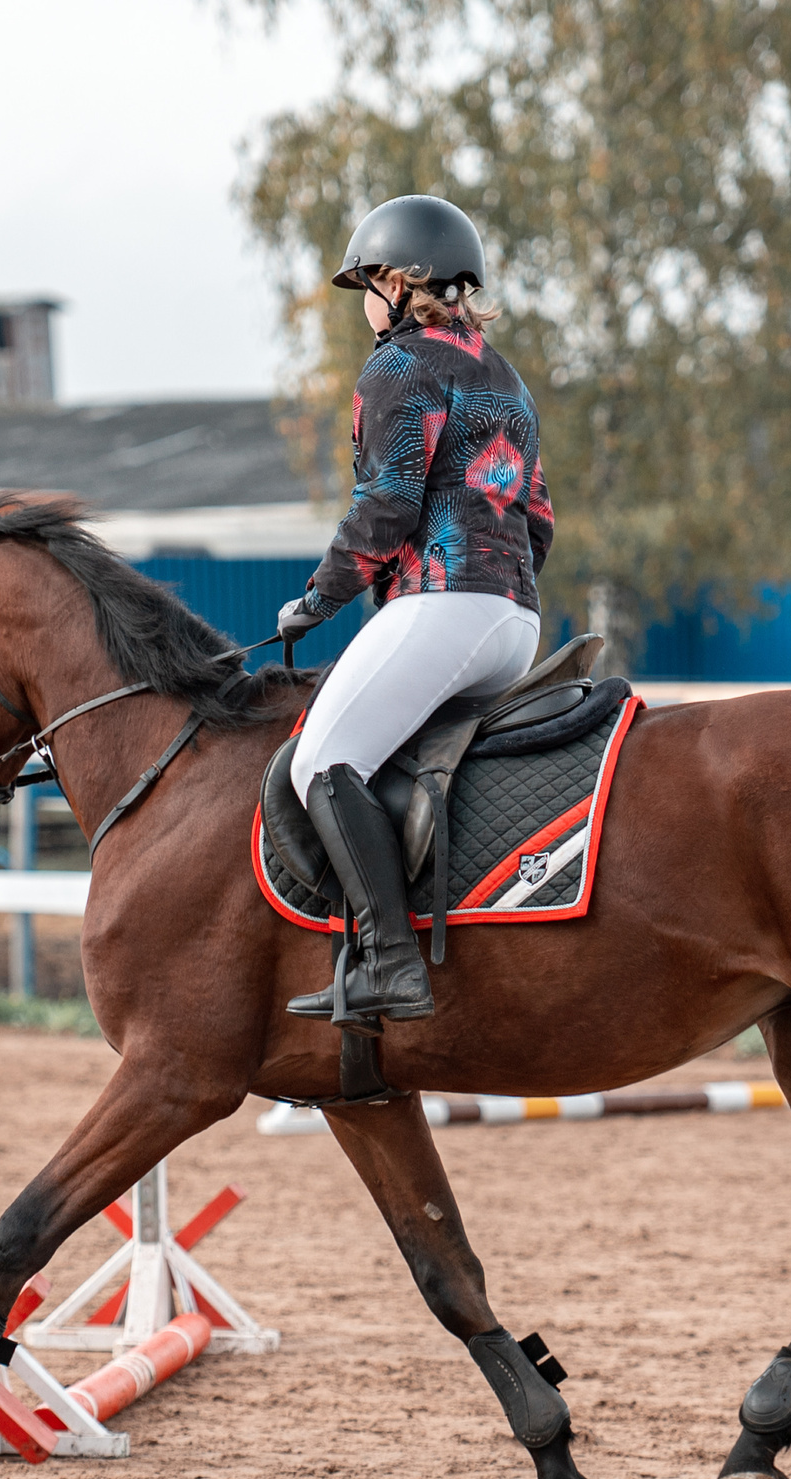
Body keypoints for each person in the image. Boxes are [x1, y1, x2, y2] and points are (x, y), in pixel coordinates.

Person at [277, 194, 554, 1031]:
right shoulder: (503, 373)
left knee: (320, 762)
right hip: (516, 621)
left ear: (400, 282)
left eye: (365, 282)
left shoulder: (399, 367)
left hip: (446, 603)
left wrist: (316, 600)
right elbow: (537, 518)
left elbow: (386, 508)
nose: (363, 301)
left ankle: (389, 965)